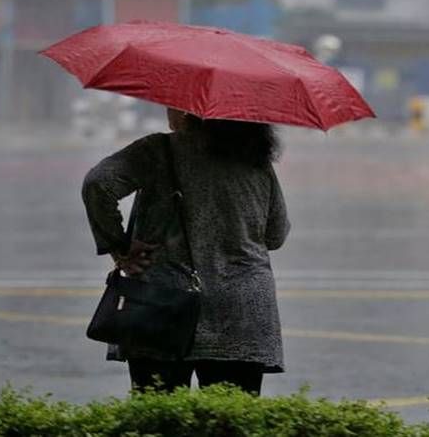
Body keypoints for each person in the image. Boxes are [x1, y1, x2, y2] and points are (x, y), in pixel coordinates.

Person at [82, 108, 290, 395]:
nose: (167, 109)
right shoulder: (255, 158)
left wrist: (120, 247)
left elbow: (98, 183)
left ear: (190, 109)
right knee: (229, 417)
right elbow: (275, 235)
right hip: (241, 311)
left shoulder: (158, 150)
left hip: (161, 304)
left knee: (160, 413)